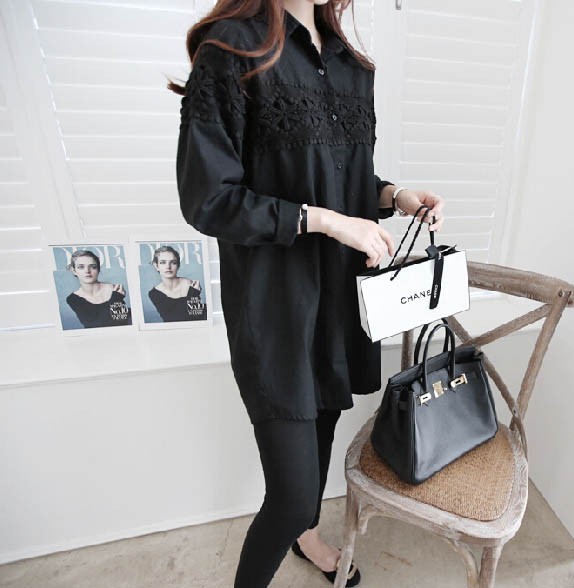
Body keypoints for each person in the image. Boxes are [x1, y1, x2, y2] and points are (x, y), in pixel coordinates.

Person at [170, 1, 445, 586]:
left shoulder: (351, 65)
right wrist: (327, 222)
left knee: (322, 435)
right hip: (274, 307)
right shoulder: (232, 50)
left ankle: (308, 536)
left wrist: (394, 196)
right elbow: (208, 200)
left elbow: (338, 176)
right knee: (291, 496)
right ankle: (296, 527)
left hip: (340, 301)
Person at [65, 249, 132, 328]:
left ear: (98, 269)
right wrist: (115, 298)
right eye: (81, 267)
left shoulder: (114, 289)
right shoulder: (73, 299)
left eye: (93, 267)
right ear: (74, 271)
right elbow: (93, 326)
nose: (87, 271)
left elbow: (122, 321)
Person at [148, 245, 207, 322]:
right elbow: (172, 318)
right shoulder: (154, 294)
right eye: (163, 262)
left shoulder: (188, 284)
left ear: (178, 265)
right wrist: (193, 293)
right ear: (156, 266)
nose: (168, 267)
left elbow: (196, 316)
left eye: (173, 262)